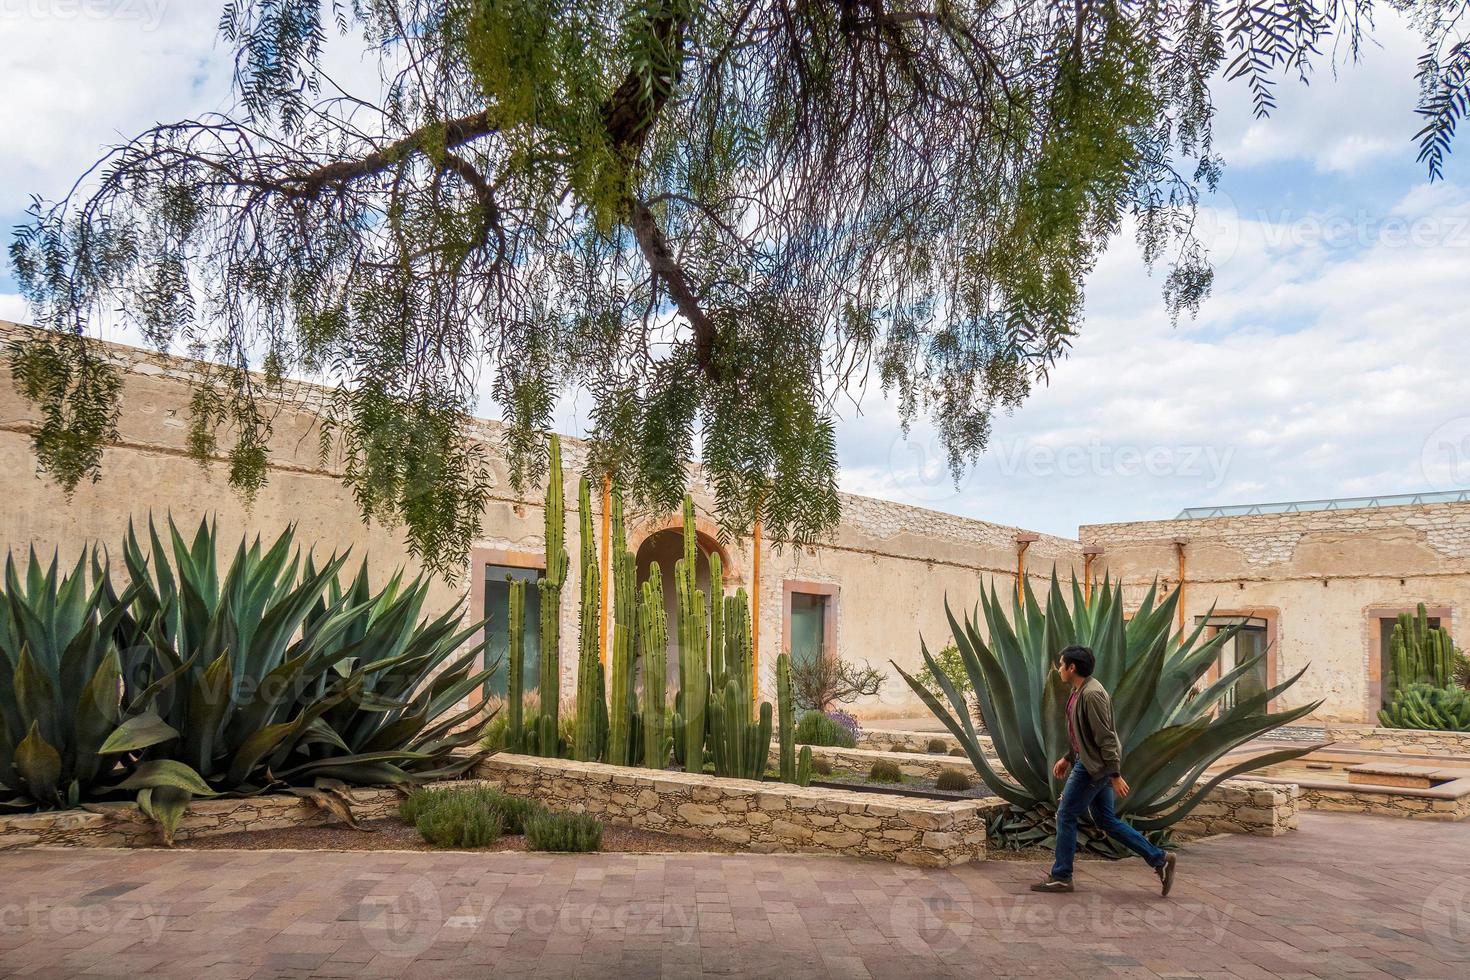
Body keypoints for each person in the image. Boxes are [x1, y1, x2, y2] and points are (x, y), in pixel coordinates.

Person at [1030, 644, 1176, 896]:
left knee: (1065, 815)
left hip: (1092, 769)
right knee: (1106, 821)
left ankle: (1062, 876)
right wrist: (1067, 757)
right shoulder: (1080, 691)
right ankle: (1159, 859)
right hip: (1090, 764)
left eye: (1062, 664)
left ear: (1072, 667)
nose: (1059, 669)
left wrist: (1115, 774)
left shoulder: (1092, 694)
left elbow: (1106, 738)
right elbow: (1082, 734)